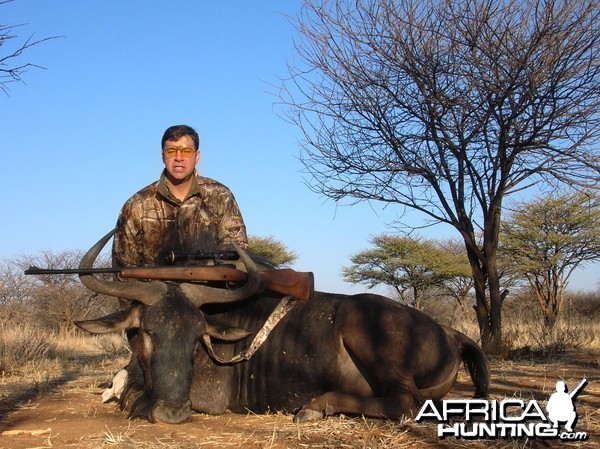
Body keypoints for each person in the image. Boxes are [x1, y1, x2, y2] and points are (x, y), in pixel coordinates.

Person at [112, 124, 248, 269]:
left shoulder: (220, 196)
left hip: (213, 289)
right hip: (153, 290)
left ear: (197, 156)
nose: (178, 158)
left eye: (186, 151)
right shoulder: (137, 204)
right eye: (171, 151)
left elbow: (237, 255)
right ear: (162, 155)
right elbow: (124, 270)